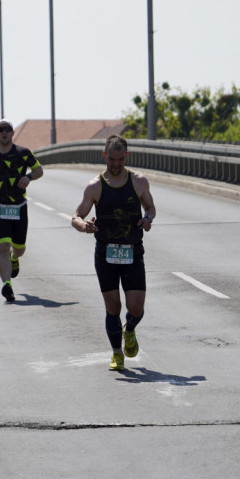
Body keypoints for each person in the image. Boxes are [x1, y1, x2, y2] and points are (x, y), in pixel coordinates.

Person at [71, 135, 156, 371]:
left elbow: (151, 207)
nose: (116, 164)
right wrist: (84, 226)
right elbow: (76, 216)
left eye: (120, 159)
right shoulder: (95, 186)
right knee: (113, 307)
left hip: (132, 251)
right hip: (106, 253)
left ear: (126, 157)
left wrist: (147, 219)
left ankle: (129, 330)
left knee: (136, 307)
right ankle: (117, 353)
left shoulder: (138, 182)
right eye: (112, 159)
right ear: (104, 156)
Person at [0, 119, 43, 303]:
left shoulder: (23, 153)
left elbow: (39, 170)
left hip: (19, 208)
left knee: (19, 248)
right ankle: (7, 285)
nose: (4, 132)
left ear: (12, 133)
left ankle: (15, 258)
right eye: (0, 130)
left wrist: (28, 177)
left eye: (7, 130)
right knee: (2, 246)